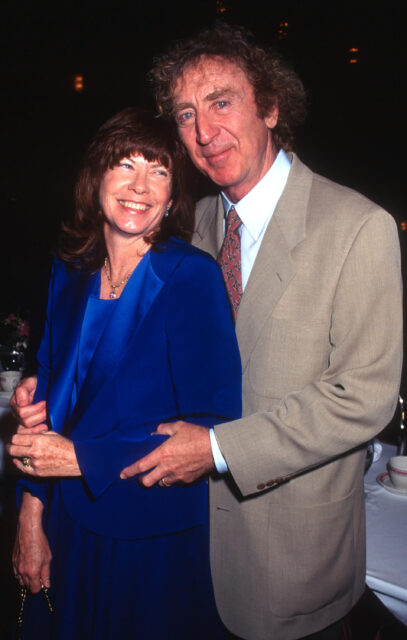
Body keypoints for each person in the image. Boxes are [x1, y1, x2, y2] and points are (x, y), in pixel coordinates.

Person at [12, 23, 403, 640]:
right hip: (177, 536)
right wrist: (55, 382)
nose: (203, 130)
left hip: (285, 557)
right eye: (187, 113)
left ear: (271, 107)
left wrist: (218, 450)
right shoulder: (186, 226)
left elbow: (365, 396)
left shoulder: (357, 226)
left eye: (221, 102)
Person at [8, 107, 241, 639]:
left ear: (173, 193)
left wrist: (79, 457)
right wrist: (30, 512)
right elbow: (46, 398)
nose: (141, 185)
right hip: (67, 519)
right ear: (97, 180)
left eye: (158, 171)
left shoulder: (191, 276)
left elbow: (213, 421)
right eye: (125, 165)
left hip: (147, 534)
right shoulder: (70, 269)